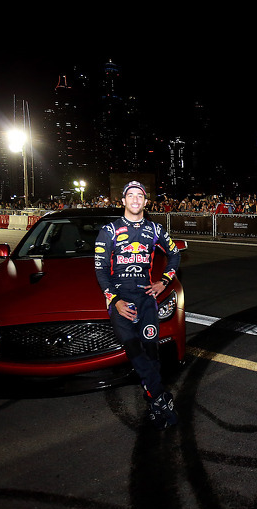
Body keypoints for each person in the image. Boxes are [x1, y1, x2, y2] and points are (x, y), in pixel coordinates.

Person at [94, 181, 181, 429]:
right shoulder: (108, 231)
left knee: (152, 355)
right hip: (120, 301)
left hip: (146, 300)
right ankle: (161, 400)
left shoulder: (154, 230)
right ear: (123, 201)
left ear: (145, 202)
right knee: (135, 353)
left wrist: (164, 282)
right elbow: (100, 271)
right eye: (129, 195)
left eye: (139, 196)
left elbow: (175, 254)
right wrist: (115, 300)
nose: (134, 199)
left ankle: (154, 403)